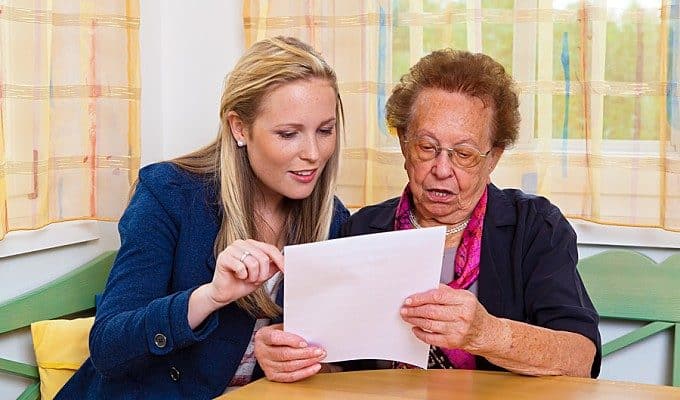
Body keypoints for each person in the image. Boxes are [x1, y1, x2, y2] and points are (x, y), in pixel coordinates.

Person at [254, 49, 601, 382]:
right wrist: (295, 359)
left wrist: (486, 333)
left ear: (492, 157)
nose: (441, 169)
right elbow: (340, 368)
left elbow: (581, 358)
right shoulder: (361, 229)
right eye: (426, 147)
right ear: (405, 143)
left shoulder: (535, 226)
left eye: (463, 154)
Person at [56, 36, 350, 399]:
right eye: (288, 134)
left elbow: (328, 351)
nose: (313, 153)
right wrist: (210, 296)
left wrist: (289, 357)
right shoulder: (168, 194)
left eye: (325, 130)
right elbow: (109, 347)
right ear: (239, 128)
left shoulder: (331, 218)